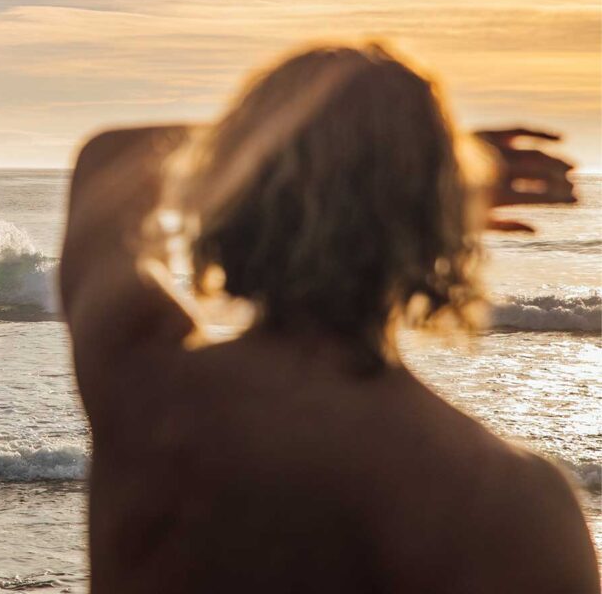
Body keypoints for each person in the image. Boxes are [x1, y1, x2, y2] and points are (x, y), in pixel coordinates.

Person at [59, 44, 597, 593]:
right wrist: (423, 167)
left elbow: (110, 159)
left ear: (239, 198)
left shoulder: (145, 383)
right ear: (436, 222)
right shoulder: (501, 495)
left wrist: (302, 148)